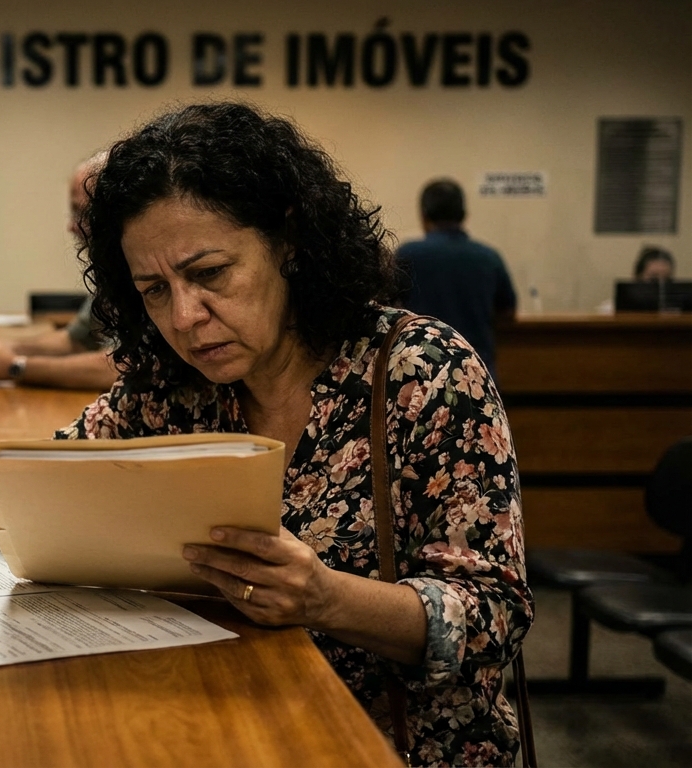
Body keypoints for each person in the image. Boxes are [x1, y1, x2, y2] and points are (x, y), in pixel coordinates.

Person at [59, 103, 531, 766]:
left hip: (392, 747)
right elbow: (44, 481)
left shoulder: (421, 372)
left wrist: (328, 598)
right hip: (225, 729)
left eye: (210, 274)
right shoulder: (174, 386)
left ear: (288, 243)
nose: (186, 317)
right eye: (153, 290)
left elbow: (494, 615)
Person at [0, 153, 119, 391]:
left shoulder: (144, 273)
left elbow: (120, 369)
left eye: (80, 212)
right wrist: (7, 348)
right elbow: (76, 341)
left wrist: (15, 366)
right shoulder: (110, 273)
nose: (71, 226)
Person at [395, 179, 517, 375]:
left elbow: (390, 307)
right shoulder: (488, 257)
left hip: (420, 369)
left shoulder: (408, 255)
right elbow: (508, 312)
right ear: (464, 215)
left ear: (424, 215)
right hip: (476, 370)